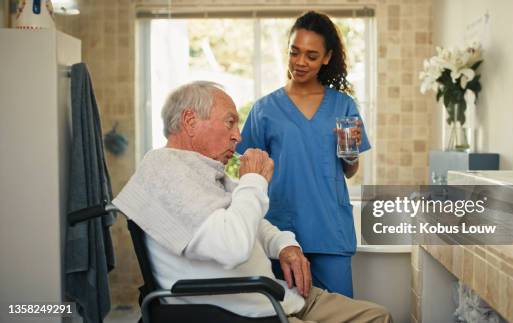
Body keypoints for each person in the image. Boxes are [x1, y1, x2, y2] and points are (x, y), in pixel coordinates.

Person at [113, 81, 391, 322]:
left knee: (379, 316)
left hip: (279, 296)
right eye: (229, 122)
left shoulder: (202, 171)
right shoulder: (166, 172)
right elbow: (232, 245)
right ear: (190, 122)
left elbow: (254, 223)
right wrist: (254, 181)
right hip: (251, 312)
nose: (238, 135)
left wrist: (285, 244)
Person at [237, 11, 370, 297]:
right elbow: (248, 171)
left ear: (326, 57)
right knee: (283, 313)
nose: (300, 62)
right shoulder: (264, 109)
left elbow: (349, 170)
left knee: (340, 314)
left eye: (311, 55)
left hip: (329, 230)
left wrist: (350, 151)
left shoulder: (343, 105)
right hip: (281, 234)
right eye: (294, 52)